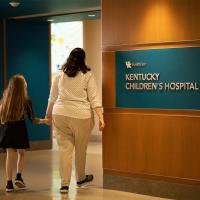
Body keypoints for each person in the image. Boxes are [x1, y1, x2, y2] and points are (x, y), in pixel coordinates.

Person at [45, 47, 105, 193]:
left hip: (60, 114)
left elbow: (52, 97)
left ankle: (64, 184)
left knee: (65, 150)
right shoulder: (87, 75)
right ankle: (80, 178)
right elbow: (94, 99)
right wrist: (101, 117)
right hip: (81, 116)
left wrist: (48, 115)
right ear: (83, 59)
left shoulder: (60, 74)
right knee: (80, 148)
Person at [0, 74, 45, 192]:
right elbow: (32, 119)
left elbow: (1, 116)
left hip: (8, 128)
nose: (26, 83)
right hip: (20, 128)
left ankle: (9, 184)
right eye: (24, 81)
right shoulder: (26, 100)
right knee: (21, 153)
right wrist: (44, 121)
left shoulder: (5, 98)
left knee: (9, 156)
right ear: (21, 86)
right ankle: (18, 177)